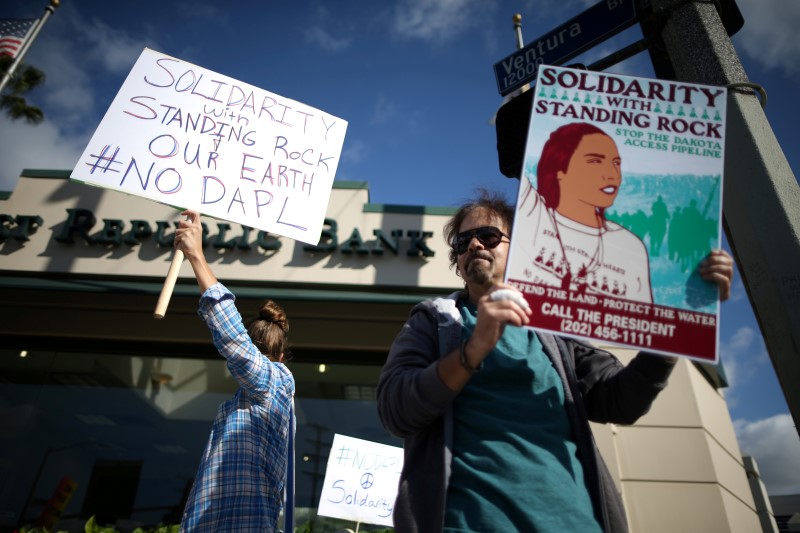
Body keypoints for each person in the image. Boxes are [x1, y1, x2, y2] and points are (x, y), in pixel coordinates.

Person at [376, 190, 733, 532]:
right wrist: (473, 350)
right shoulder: (434, 322)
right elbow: (396, 409)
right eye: (463, 241)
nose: (473, 245)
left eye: (487, 235)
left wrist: (676, 325)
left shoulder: (556, 327)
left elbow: (621, 401)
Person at [174, 209, 295, 533]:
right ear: (282, 353)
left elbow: (233, 339)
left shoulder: (273, 381)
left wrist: (197, 256)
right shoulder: (257, 398)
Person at [511, 122, 652, 303]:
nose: (612, 174)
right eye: (595, 161)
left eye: (616, 163)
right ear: (560, 169)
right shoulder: (534, 215)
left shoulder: (632, 247)